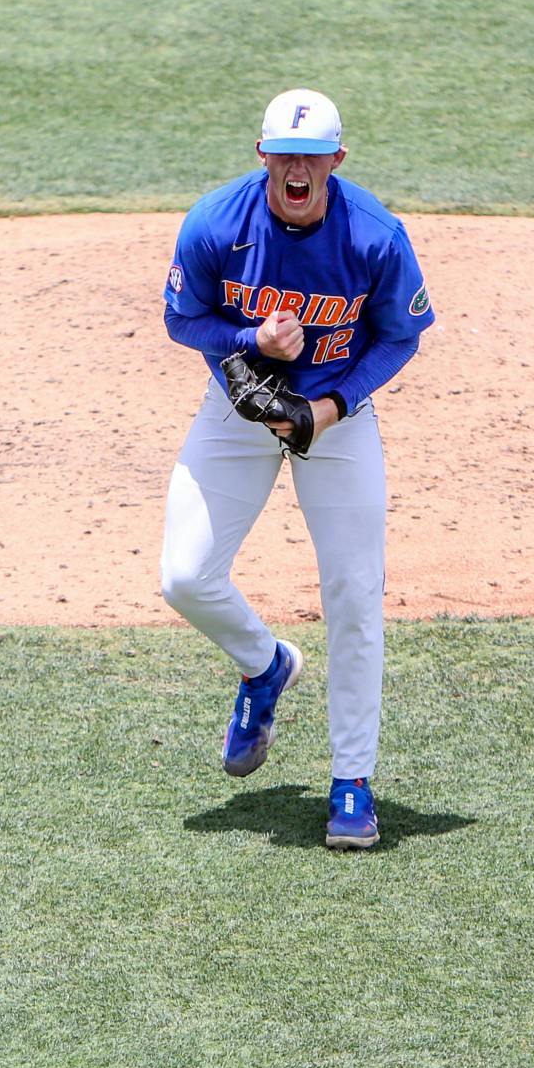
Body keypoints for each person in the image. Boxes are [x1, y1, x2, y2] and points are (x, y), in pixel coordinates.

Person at [159, 89, 435, 849]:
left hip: (335, 418)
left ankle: (352, 783)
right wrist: (252, 339)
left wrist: (332, 406)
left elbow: (401, 336)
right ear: (262, 155)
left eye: (312, 156)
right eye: (284, 152)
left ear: (337, 161)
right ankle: (264, 666)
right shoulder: (217, 222)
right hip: (236, 409)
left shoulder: (374, 236)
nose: (297, 168)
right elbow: (182, 318)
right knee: (184, 576)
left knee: (353, 595)